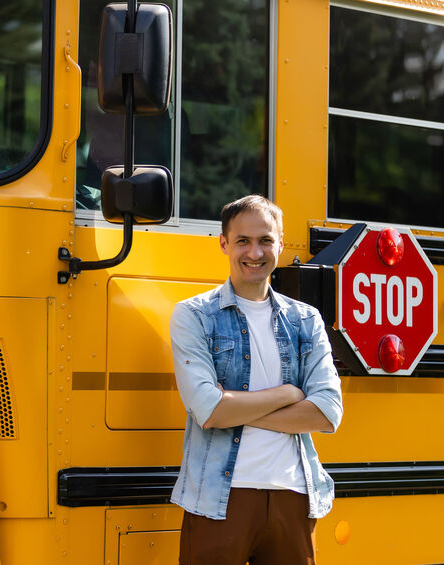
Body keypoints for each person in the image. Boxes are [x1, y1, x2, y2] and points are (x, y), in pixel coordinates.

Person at [169, 195, 343, 565]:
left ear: (280, 244)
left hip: (293, 493)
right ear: (223, 244)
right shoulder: (195, 316)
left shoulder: (305, 320)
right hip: (217, 496)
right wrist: (288, 393)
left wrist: (232, 407)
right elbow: (208, 410)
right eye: (243, 241)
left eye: (265, 240)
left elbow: (327, 413)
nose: (255, 252)